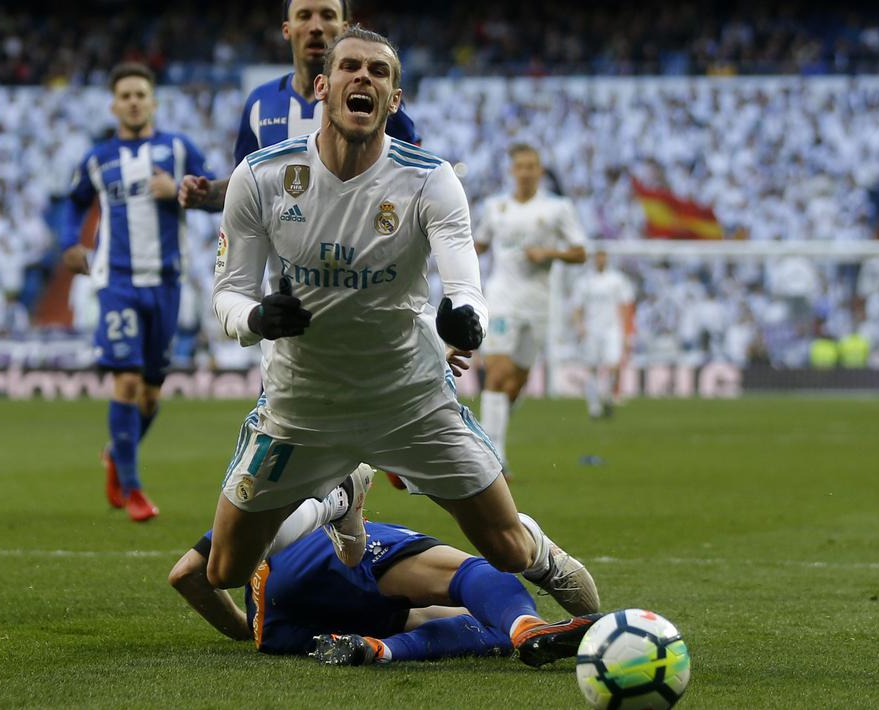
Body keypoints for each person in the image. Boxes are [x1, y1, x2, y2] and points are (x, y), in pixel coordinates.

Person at [209, 27, 599, 623]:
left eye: (380, 73)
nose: (363, 78)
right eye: (350, 68)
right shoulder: (261, 176)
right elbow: (230, 294)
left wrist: (466, 322)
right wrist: (257, 316)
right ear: (323, 85)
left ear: (394, 100)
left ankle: (544, 553)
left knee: (506, 549)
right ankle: (341, 499)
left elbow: (467, 288)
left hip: (410, 399)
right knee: (226, 571)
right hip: (301, 405)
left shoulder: (430, 179)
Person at [60, 62, 214, 522]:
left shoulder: (180, 149)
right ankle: (133, 490)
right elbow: (73, 203)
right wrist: (71, 243)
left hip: (166, 282)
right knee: (125, 381)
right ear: (114, 104)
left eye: (139, 94)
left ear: (153, 102)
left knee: (149, 397)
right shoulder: (97, 158)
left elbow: (217, 194)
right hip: (117, 281)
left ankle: (115, 454)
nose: (132, 101)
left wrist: (183, 193)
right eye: (124, 94)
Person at [169, 516, 601, 667]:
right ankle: (528, 621)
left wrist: (246, 628)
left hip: (278, 631)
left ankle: (380, 650)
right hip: (314, 552)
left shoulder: (249, 495)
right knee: (476, 573)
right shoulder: (300, 486)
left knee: (481, 629)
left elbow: (185, 575)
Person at [178, 0, 419, 212]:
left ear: (345, 29)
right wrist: (208, 193)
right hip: (286, 263)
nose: (315, 27)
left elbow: (413, 178)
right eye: (304, 16)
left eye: (327, 15)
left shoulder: (370, 101)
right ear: (287, 29)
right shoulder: (260, 103)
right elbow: (247, 185)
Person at [474, 144, 587, 462]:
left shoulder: (557, 209)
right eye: (520, 166)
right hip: (501, 299)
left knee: (516, 381)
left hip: (538, 304)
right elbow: (477, 245)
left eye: (531, 166)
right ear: (512, 171)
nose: (525, 172)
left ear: (540, 171)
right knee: (496, 372)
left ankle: (488, 431)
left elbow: (580, 252)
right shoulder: (495, 207)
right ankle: (493, 455)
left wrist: (549, 254)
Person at [573, 250, 634, 419]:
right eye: (598, 256)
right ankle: (594, 407)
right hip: (591, 329)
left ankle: (607, 397)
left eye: (603, 256)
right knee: (591, 368)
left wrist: (627, 330)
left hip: (612, 329)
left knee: (613, 365)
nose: (600, 259)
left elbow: (625, 306)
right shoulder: (585, 281)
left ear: (607, 258)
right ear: (594, 259)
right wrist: (579, 326)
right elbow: (577, 306)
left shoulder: (617, 280)